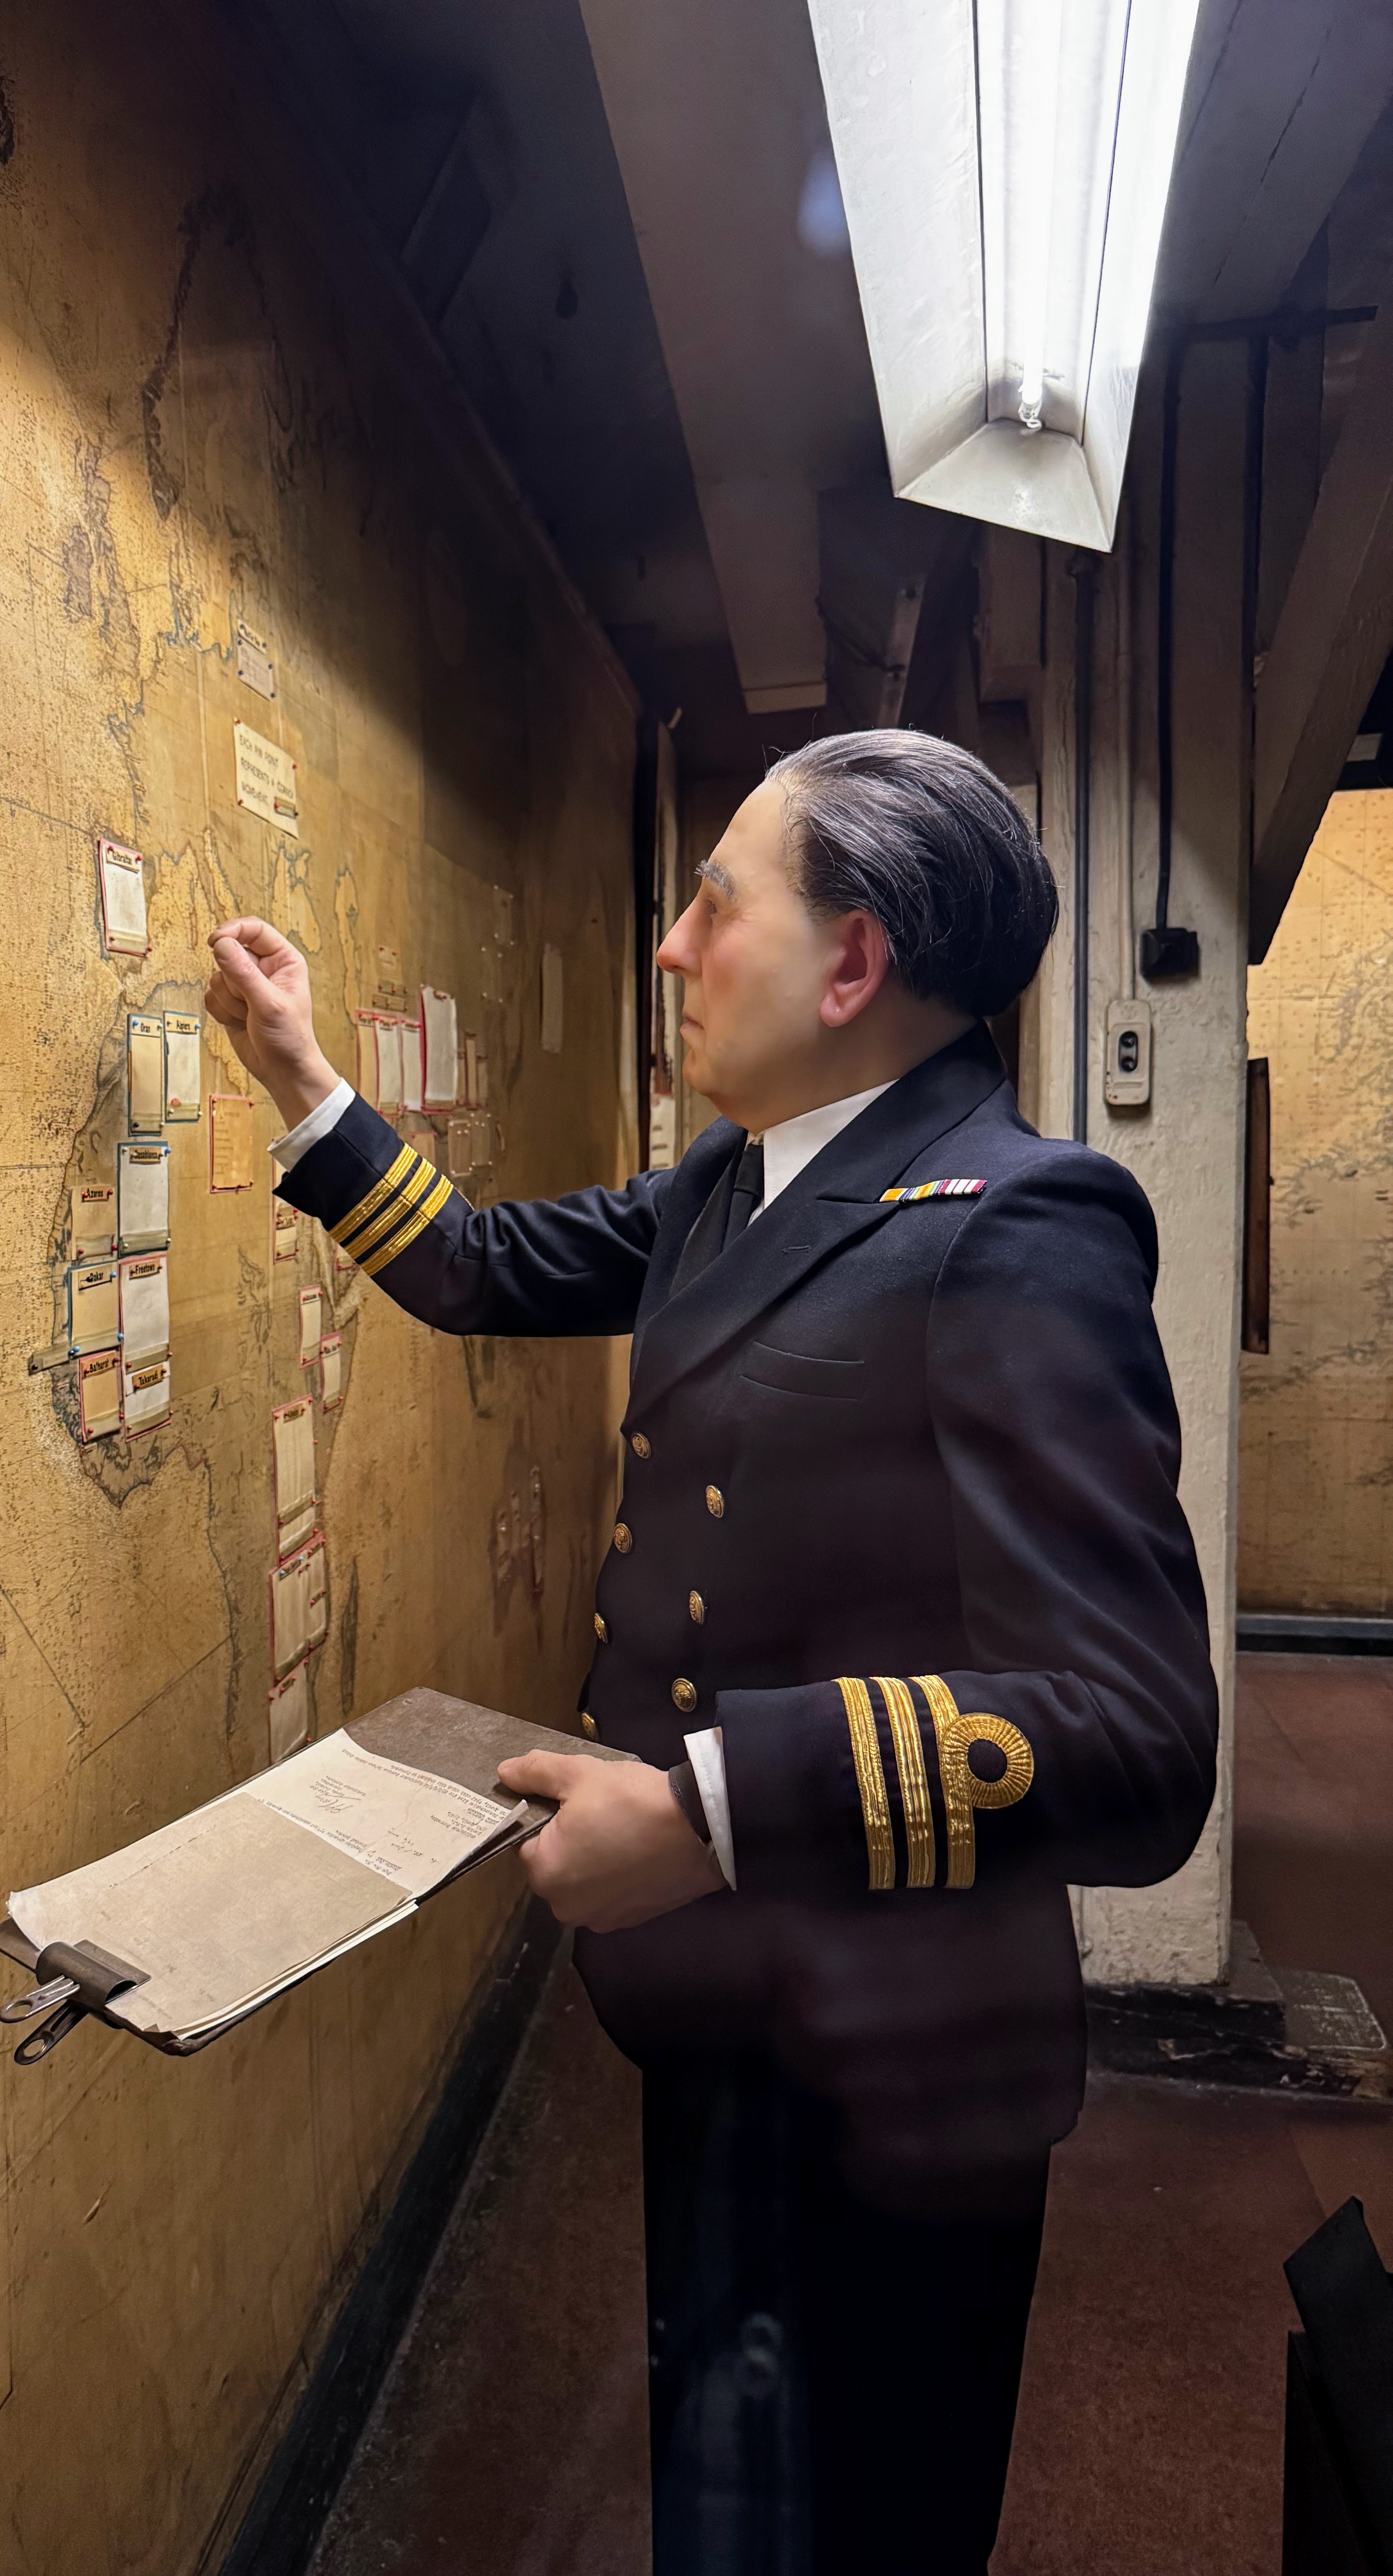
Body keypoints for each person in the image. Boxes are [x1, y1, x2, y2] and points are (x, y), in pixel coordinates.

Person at [203, 729, 1217, 2576]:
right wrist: (305, 1081)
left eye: (712, 905)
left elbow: (1138, 1737)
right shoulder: (733, 1189)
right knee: (733, 2509)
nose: (670, 949)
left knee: (865, 2516)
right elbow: (487, 1272)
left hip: (906, 2070)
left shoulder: (1017, 1226)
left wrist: (711, 1808)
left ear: (851, 967)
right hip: (725, 2014)